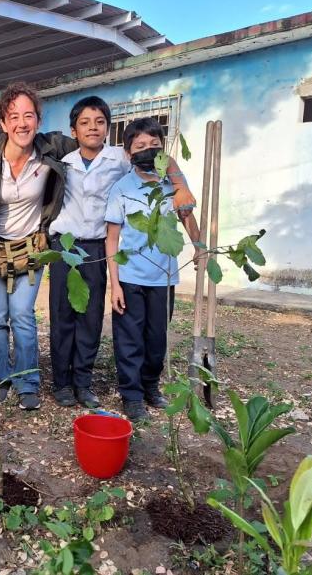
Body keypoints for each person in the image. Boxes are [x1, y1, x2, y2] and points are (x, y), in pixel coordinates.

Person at [0, 82, 73, 411]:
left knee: (22, 315)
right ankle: (1, 380)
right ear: (3, 123)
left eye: (28, 115)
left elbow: (94, 145)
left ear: (38, 120)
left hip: (31, 247)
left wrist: (173, 174)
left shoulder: (51, 148)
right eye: (13, 116)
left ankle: (27, 381)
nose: (22, 123)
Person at [105, 117, 200, 421]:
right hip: (131, 276)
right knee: (130, 337)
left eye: (154, 145)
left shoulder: (171, 184)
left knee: (157, 337)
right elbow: (112, 237)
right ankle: (131, 395)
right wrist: (115, 284)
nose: (148, 151)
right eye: (140, 146)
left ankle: (150, 386)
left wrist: (200, 248)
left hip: (165, 277)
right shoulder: (121, 188)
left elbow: (187, 216)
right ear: (128, 152)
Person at [48, 96, 130, 409]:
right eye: (85, 123)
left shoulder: (119, 160)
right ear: (74, 129)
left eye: (99, 122)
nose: (92, 128)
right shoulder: (63, 163)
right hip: (64, 246)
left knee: (90, 316)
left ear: (108, 128)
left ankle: (83, 381)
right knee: (62, 314)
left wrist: (180, 184)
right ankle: (61, 382)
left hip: (96, 247)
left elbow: (155, 160)